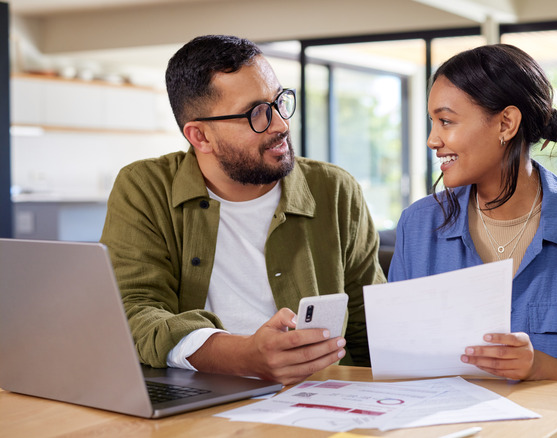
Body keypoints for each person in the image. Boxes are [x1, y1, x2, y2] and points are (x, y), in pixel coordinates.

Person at [100, 35, 385, 386]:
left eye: (279, 102)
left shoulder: (335, 189)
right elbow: (135, 311)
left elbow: (369, 322)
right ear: (200, 136)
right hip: (199, 396)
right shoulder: (145, 187)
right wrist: (243, 355)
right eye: (257, 114)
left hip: (322, 394)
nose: (281, 124)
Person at [387, 44, 557, 438]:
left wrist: (539, 367)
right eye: (432, 123)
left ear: (506, 124)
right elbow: (397, 366)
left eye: (446, 122)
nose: (433, 140)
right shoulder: (418, 226)